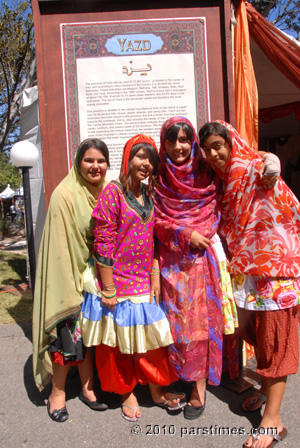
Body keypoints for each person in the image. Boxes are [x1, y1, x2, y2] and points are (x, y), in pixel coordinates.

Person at [199, 121, 300, 448]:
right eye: (208, 148)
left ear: (231, 142)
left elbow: (267, 163)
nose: (214, 154)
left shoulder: (253, 167)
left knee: (275, 344)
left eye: (219, 145)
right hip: (245, 271)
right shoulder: (224, 180)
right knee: (249, 334)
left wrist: (272, 166)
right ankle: (265, 389)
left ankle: (273, 422)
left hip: (274, 272)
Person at [80, 134, 186, 422]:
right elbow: (103, 241)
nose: (147, 164)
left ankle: (155, 390)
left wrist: (154, 274)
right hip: (115, 283)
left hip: (142, 281)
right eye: (141, 156)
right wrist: (109, 287)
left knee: (150, 343)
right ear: (128, 158)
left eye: (151, 159)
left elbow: (153, 240)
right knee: (117, 346)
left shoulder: (148, 195)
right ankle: (126, 393)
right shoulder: (112, 192)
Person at [153, 116, 238, 420]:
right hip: (171, 263)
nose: (179, 146)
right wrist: (186, 234)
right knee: (176, 326)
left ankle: (198, 389)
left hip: (203, 261)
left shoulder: (207, 174)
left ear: (193, 143)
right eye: (172, 140)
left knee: (200, 326)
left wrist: (269, 159)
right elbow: (156, 222)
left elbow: (239, 158)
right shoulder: (159, 177)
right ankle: (179, 375)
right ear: (163, 143)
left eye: (185, 139)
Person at [32, 138, 110, 422]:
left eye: (101, 161)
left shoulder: (104, 192)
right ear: (78, 162)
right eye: (89, 160)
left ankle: (88, 389)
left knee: (87, 337)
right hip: (67, 275)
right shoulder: (64, 194)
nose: (95, 166)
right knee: (67, 335)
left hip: (93, 278)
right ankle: (57, 392)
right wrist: (72, 288)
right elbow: (60, 246)